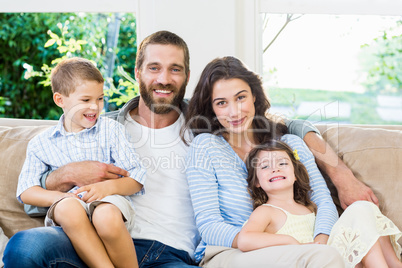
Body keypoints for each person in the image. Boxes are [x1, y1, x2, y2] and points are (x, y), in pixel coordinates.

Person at [3, 31, 376, 267]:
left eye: (175, 69)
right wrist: (64, 175)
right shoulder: (102, 126)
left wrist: (340, 175)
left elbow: (285, 127)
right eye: (154, 68)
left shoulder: (206, 125)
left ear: (186, 77)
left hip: (173, 254)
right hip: (96, 240)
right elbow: (33, 199)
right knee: (25, 249)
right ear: (138, 73)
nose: (163, 79)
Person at [184, 56, 344, 267]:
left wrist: (319, 243)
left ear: (255, 97)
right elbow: (209, 225)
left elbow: (323, 201)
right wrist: (279, 244)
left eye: (241, 98)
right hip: (229, 253)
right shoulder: (205, 147)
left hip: (300, 248)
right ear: (211, 109)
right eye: (221, 103)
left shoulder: (290, 145)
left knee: (355, 224)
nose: (234, 112)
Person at [16, 57, 146, 268]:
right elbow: (26, 191)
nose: (95, 107)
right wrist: (62, 197)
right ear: (60, 100)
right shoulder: (41, 143)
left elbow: (137, 176)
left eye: (100, 98)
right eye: (85, 100)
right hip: (68, 209)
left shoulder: (110, 130)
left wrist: (107, 187)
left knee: (105, 217)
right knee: (68, 208)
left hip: (108, 201)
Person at [239, 140, 402, 268]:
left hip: (333, 258)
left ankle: (394, 264)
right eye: (265, 166)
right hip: (315, 262)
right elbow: (244, 239)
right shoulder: (266, 211)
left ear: (295, 175)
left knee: (365, 208)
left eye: (282, 163)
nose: (275, 169)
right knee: (359, 209)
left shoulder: (308, 208)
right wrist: (290, 241)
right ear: (256, 182)